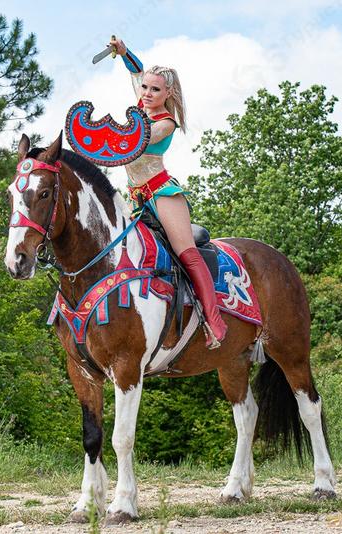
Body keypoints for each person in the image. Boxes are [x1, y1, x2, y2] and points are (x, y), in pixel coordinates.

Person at [111, 37, 227, 349]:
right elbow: (136, 71)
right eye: (145, 88)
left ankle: (214, 323)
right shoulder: (140, 106)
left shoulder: (165, 122)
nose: (147, 94)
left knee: (186, 252)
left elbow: (138, 143)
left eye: (155, 90)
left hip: (162, 193)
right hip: (136, 196)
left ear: (168, 93)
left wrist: (105, 141)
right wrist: (124, 52)